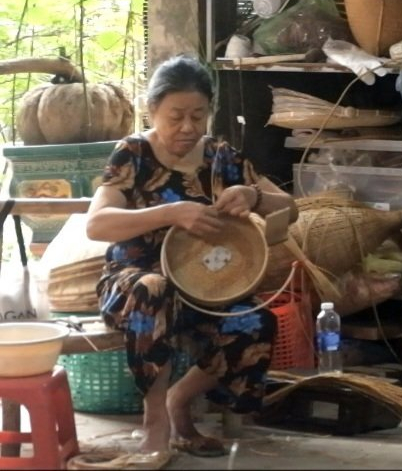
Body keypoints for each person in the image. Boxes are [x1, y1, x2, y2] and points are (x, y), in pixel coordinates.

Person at [86, 55, 299, 460]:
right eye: (175, 116)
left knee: (257, 323)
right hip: (134, 282)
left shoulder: (222, 158)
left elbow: (292, 209)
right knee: (154, 288)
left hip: (206, 285)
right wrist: (169, 212)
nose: (188, 127)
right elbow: (96, 225)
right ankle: (156, 425)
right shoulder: (132, 155)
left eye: (198, 115)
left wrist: (254, 196)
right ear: (152, 111)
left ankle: (179, 401)